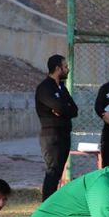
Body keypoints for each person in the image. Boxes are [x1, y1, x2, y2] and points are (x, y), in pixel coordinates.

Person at [36, 54, 79, 200]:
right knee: (52, 171)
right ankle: (46, 205)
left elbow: (74, 109)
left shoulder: (60, 87)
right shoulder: (45, 88)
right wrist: (62, 108)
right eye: (65, 67)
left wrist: (62, 109)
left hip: (64, 135)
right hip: (51, 137)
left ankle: (53, 204)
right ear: (57, 68)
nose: (68, 70)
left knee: (58, 171)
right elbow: (59, 107)